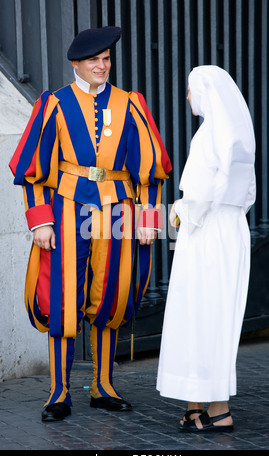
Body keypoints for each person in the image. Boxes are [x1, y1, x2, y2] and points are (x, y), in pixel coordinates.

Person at [9, 26, 171, 421]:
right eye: (94, 60)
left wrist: (150, 220)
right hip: (67, 210)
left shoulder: (130, 103)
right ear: (75, 64)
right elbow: (32, 171)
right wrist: (39, 222)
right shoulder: (53, 104)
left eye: (106, 59)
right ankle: (59, 393)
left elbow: (150, 171)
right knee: (65, 300)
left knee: (111, 297)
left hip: (117, 210)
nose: (102, 66)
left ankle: (103, 386)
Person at [156, 65, 256, 432]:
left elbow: (197, 199)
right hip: (232, 231)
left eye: (190, 90)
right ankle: (204, 406)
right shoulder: (239, 136)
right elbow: (244, 194)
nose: (187, 97)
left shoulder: (209, 136)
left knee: (198, 315)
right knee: (217, 318)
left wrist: (175, 214)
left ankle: (214, 409)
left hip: (207, 234)